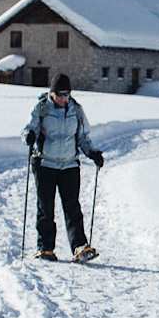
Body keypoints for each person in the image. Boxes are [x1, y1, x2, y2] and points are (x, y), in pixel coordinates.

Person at [22, 74, 103, 262]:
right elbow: (29, 128)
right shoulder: (41, 108)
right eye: (59, 94)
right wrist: (29, 137)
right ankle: (45, 248)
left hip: (69, 165)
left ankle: (80, 247)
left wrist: (92, 153)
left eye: (66, 95)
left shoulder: (76, 110)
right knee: (45, 208)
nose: (63, 98)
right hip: (45, 164)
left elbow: (83, 137)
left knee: (72, 206)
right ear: (52, 93)